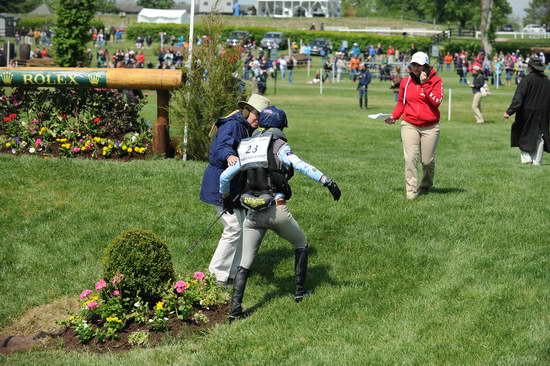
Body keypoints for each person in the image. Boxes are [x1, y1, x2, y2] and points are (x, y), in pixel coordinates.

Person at [218, 106, 342, 322]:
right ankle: (299, 292)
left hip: (252, 214)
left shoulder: (248, 146)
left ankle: (234, 311)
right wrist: (327, 182)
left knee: (245, 263)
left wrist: (227, 199)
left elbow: (225, 177)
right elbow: (300, 165)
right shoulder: (280, 145)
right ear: (281, 126)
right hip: (277, 210)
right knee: (301, 244)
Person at [199, 94, 271, 285]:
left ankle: (233, 272)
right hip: (219, 184)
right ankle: (216, 275)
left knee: (241, 226)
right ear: (248, 111)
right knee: (233, 227)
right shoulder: (233, 125)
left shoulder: (247, 128)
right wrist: (230, 156)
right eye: (257, 116)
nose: (259, 121)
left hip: (235, 186)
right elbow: (221, 146)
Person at [385, 52, 443, 200]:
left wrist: (425, 85)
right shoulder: (406, 82)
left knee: (427, 161)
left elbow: (436, 101)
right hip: (409, 124)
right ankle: (411, 191)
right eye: (413, 65)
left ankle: (426, 184)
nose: (415, 68)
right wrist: (394, 116)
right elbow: (401, 103)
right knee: (410, 158)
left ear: (426, 66)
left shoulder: (436, 81)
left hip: (430, 126)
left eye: (419, 65)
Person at [504, 57, 550, 166]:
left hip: (527, 113)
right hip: (544, 113)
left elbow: (518, 98)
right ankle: (536, 161)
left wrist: (509, 111)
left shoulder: (527, 79)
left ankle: (526, 158)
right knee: (540, 136)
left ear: (530, 67)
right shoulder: (547, 81)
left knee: (521, 134)